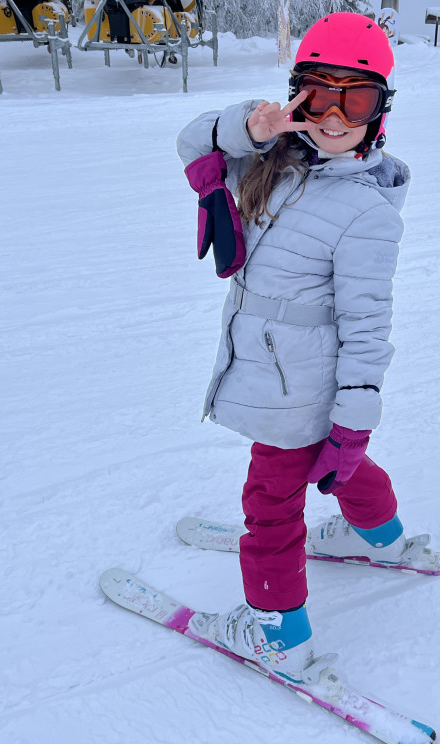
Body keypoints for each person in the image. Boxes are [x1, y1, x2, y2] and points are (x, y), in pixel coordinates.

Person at [176, 12, 412, 685]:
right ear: (295, 96)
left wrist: (353, 421)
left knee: (271, 506)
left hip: (293, 387)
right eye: (319, 95)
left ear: (379, 111)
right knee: (338, 468)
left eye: (355, 100)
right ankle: (382, 538)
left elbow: (367, 325)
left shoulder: (366, 212)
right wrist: (253, 127)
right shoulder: (273, 162)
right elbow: (190, 142)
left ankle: (278, 635)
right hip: (277, 369)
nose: (334, 116)